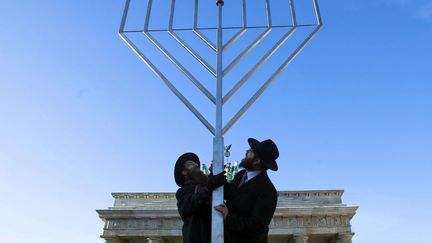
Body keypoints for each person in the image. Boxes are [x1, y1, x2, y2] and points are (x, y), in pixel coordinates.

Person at [215, 138, 280, 243]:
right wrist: (216, 175)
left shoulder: (267, 191)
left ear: (257, 161)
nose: (246, 152)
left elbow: (256, 226)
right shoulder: (240, 175)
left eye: (250, 151)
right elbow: (231, 193)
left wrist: (228, 216)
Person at [175, 152, 226, 243]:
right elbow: (189, 205)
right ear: (184, 172)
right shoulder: (182, 192)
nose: (196, 165)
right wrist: (210, 185)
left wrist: (215, 173)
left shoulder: (208, 185)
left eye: (196, 163)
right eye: (190, 164)